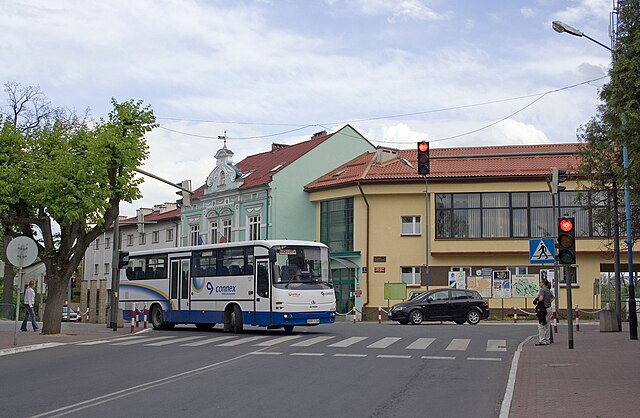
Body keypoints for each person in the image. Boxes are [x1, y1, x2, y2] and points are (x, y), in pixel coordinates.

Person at [535, 278, 554, 346]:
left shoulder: (542, 290)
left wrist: (537, 298)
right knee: (547, 325)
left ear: (543, 283)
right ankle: (547, 340)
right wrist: (548, 302)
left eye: (540, 282)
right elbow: (552, 297)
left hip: (543, 309)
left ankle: (542, 340)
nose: (539, 284)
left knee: (541, 325)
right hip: (549, 308)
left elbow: (541, 298)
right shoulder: (549, 290)